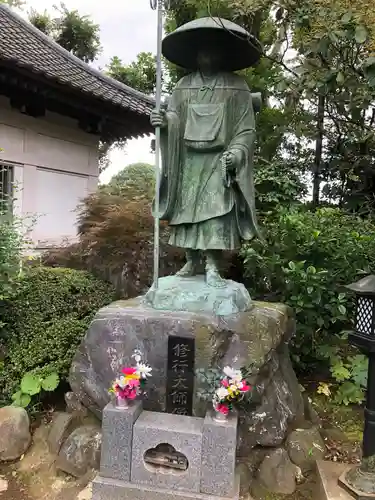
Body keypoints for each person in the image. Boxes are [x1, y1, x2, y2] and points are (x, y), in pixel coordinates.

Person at [150, 17, 262, 288]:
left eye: (213, 50)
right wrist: (163, 122)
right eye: (202, 51)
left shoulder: (236, 87)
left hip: (218, 158)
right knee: (186, 209)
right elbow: (174, 117)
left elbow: (245, 129)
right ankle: (191, 259)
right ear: (195, 55)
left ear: (222, 54)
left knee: (216, 211)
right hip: (187, 160)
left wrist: (236, 153)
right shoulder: (183, 87)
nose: (207, 56)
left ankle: (212, 264)